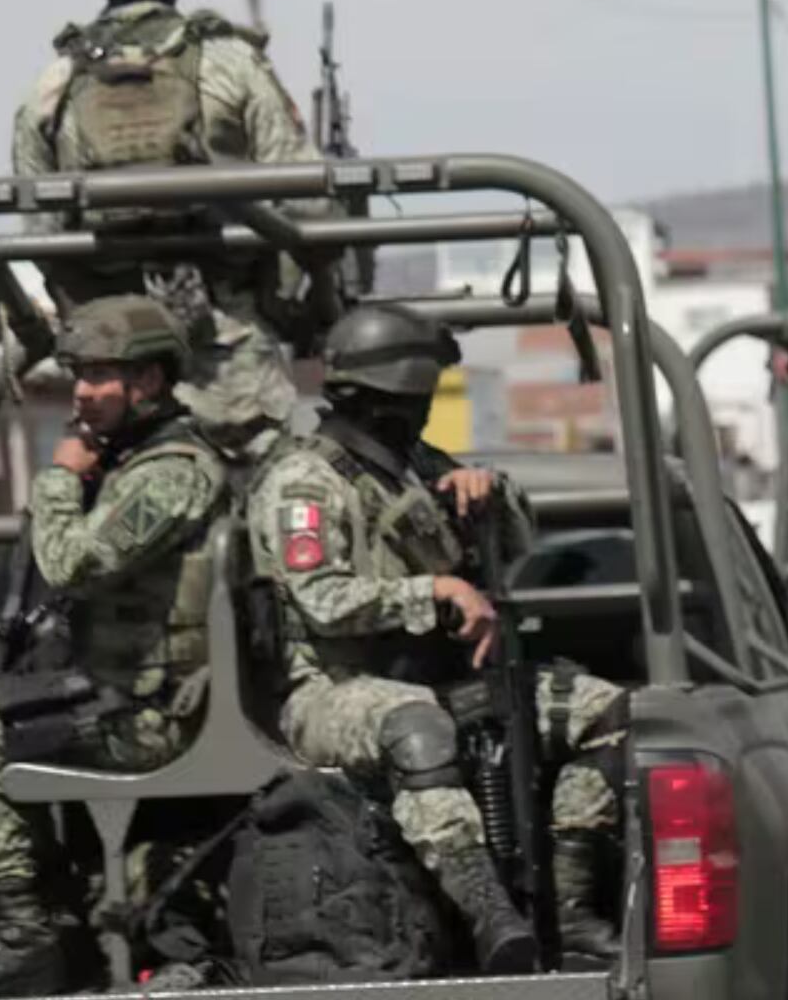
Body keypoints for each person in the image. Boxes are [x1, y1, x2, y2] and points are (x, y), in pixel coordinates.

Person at [247, 304, 628, 972]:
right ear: (375, 399)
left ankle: (567, 912)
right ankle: (487, 912)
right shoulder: (303, 481)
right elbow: (322, 600)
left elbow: (519, 545)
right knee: (417, 728)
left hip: (434, 675)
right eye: (414, 399)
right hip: (331, 692)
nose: (421, 413)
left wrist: (489, 495)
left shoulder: (413, 464)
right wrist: (434, 592)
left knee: (603, 712)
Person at [0, 297, 226, 998]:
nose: (82, 392)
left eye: (99, 376)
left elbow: (72, 565)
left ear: (147, 381)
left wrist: (58, 477)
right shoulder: (139, 462)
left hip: (149, 711)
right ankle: (42, 903)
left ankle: (28, 931)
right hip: (125, 692)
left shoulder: (172, 471)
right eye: (79, 374)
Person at [12, 0, 333, 461]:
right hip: (228, 360)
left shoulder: (55, 82)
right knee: (271, 497)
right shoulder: (231, 63)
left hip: (114, 375)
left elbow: (40, 232)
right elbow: (308, 203)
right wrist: (283, 295)